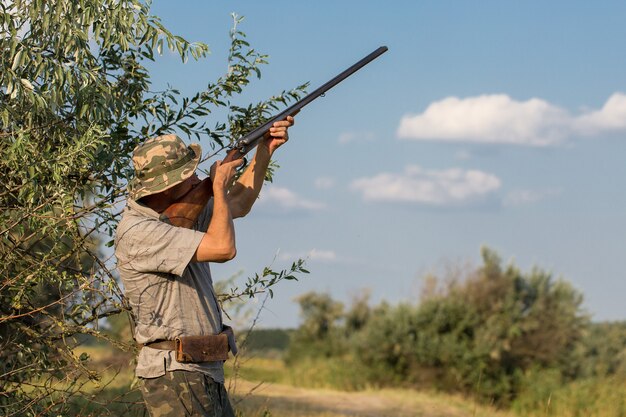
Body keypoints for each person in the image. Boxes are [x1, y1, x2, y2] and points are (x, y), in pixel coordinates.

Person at [114, 116, 294, 417]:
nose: (196, 178)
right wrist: (218, 186)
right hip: (176, 372)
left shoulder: (174, 214)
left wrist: (265, 150)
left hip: (201, 369)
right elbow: (223, 248)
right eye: (188, 174)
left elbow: (239, 202)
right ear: (166, 186)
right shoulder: (138, 231)